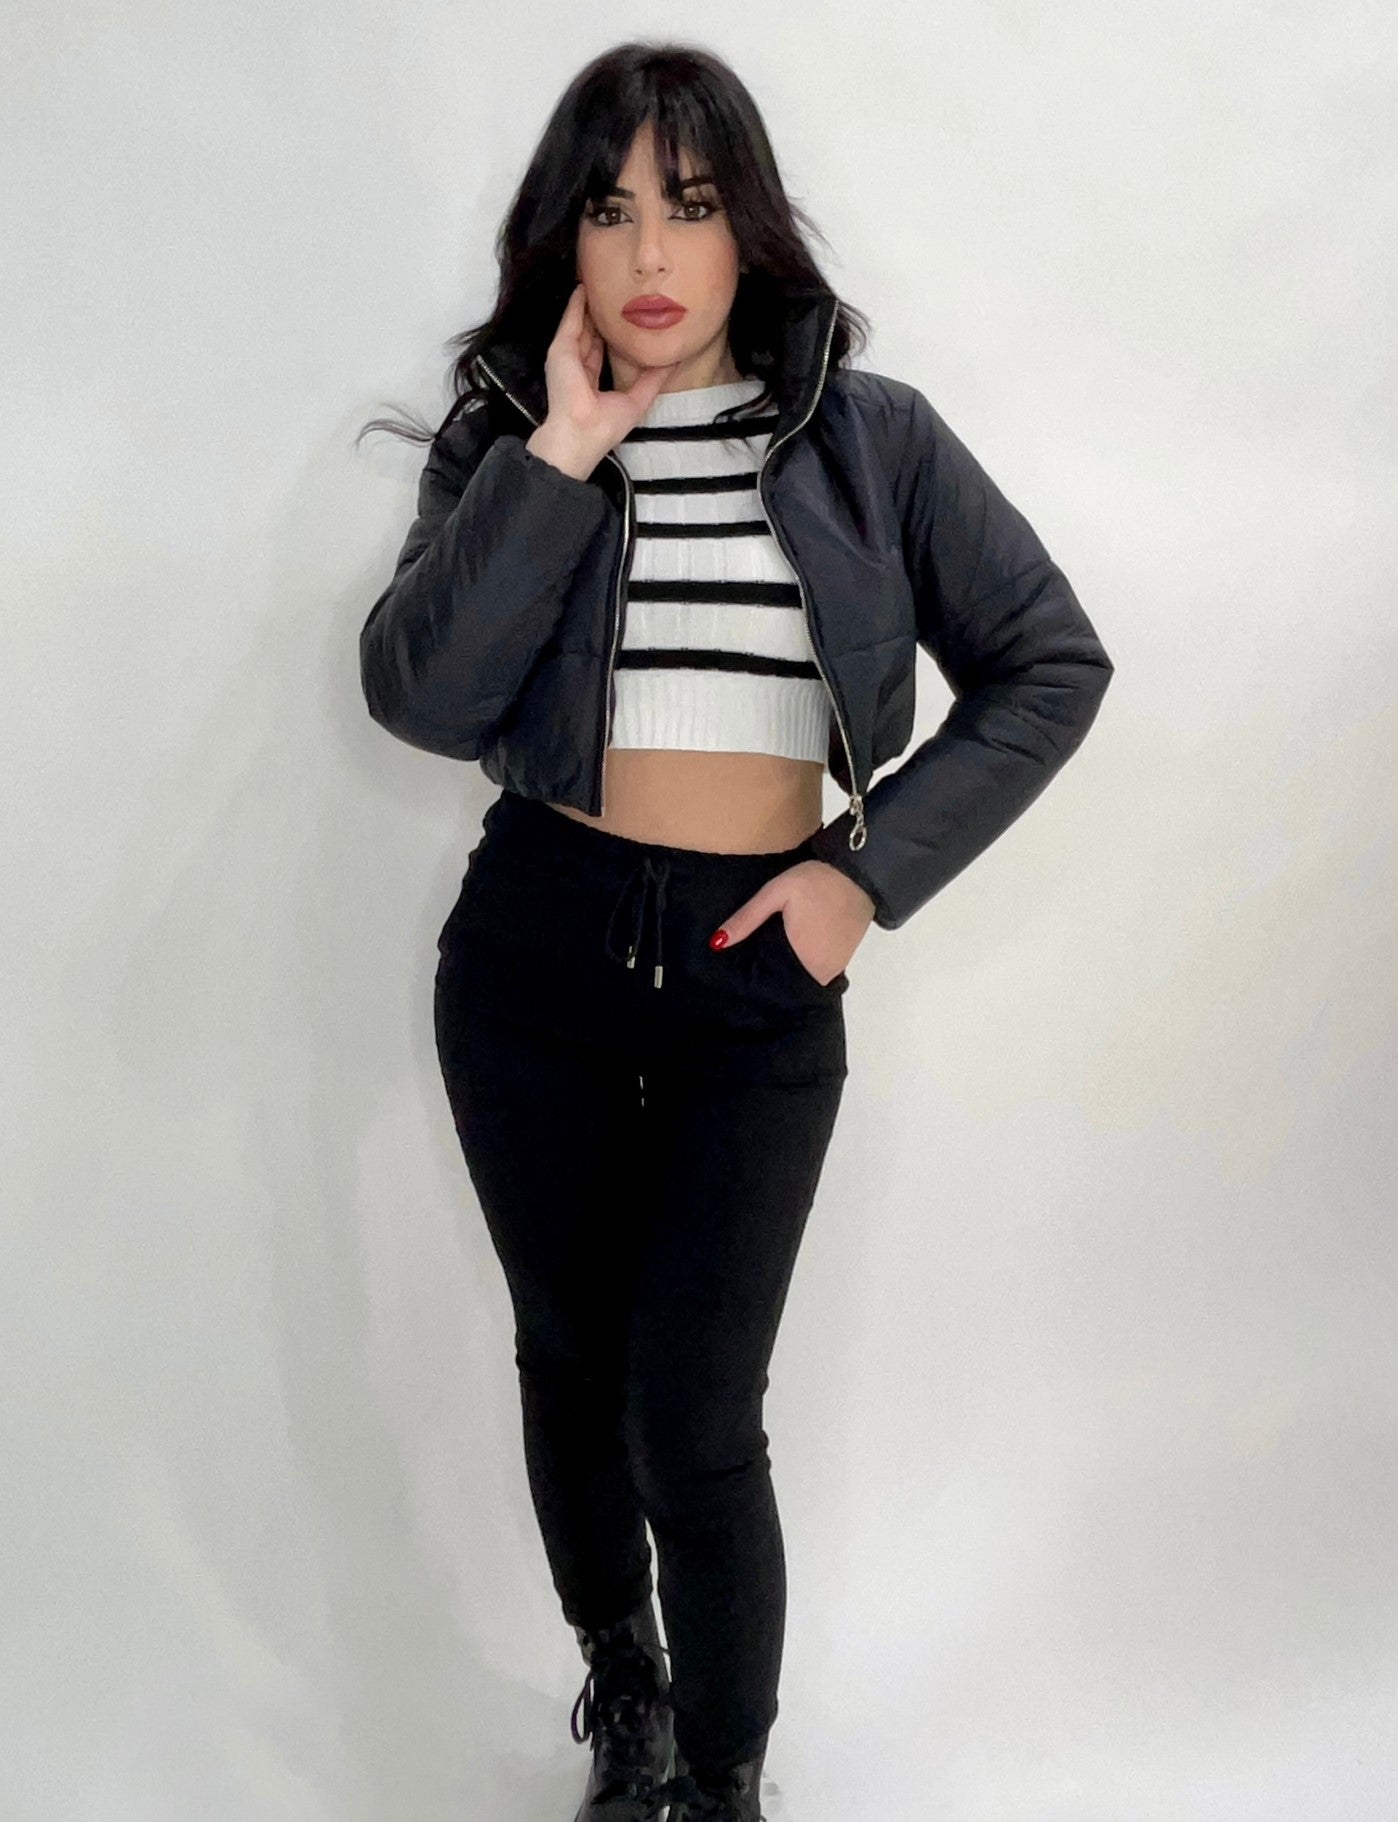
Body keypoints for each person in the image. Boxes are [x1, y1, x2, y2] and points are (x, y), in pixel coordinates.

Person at [357, 41, 1114, 1822]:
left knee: (691, 1415)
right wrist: (562, 452)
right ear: (562, 239)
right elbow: (419, 695)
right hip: (533, 953)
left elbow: (1048, 663)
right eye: (611, 208)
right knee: (568, 1362)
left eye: (689, 206)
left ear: (746, 227)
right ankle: (625, 1696)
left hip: (752, 969)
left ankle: (721, 1777)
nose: (649, 251)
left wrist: (861, 876)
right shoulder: (510, 437)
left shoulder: (870, 438)